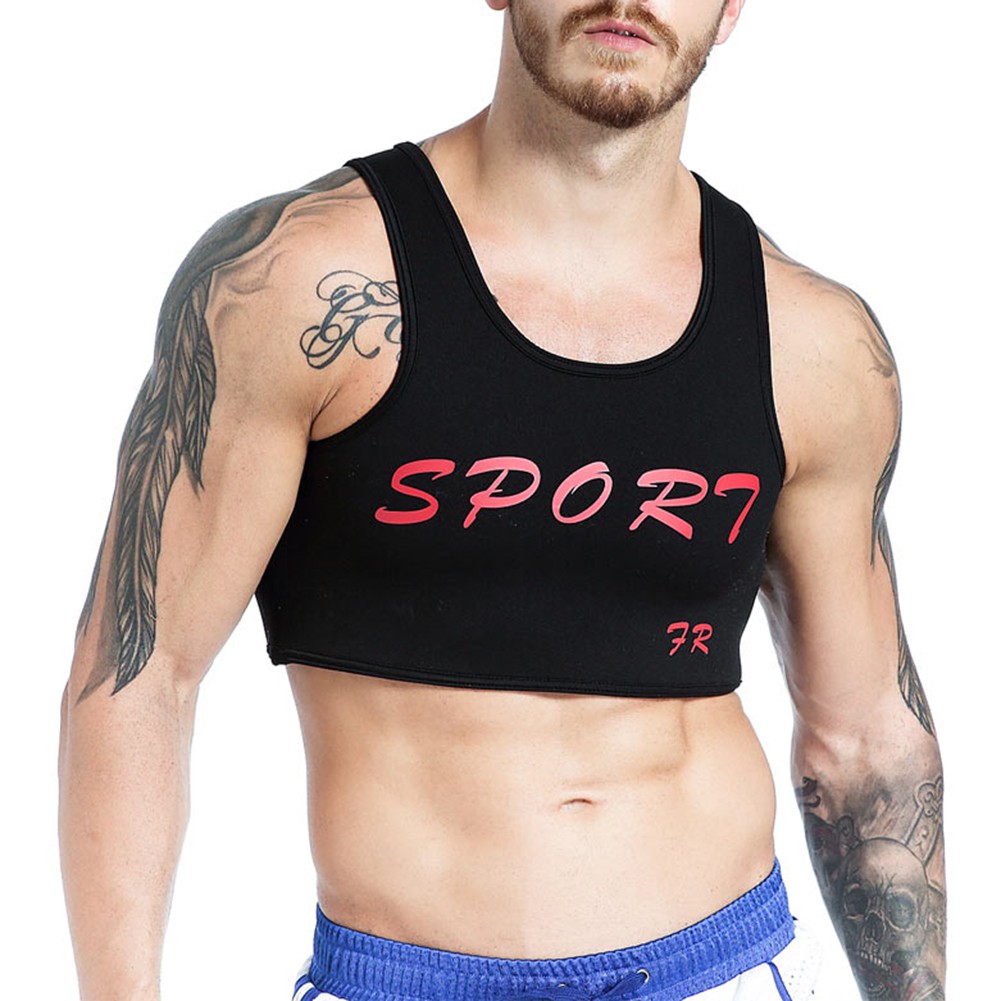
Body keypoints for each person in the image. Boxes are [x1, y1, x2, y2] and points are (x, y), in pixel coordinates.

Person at [58, 1, 946, 999]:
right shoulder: (300, 284)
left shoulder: (814, 342)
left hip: (721, 965)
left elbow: (865, 739)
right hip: (404, 975)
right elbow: (141, 671)